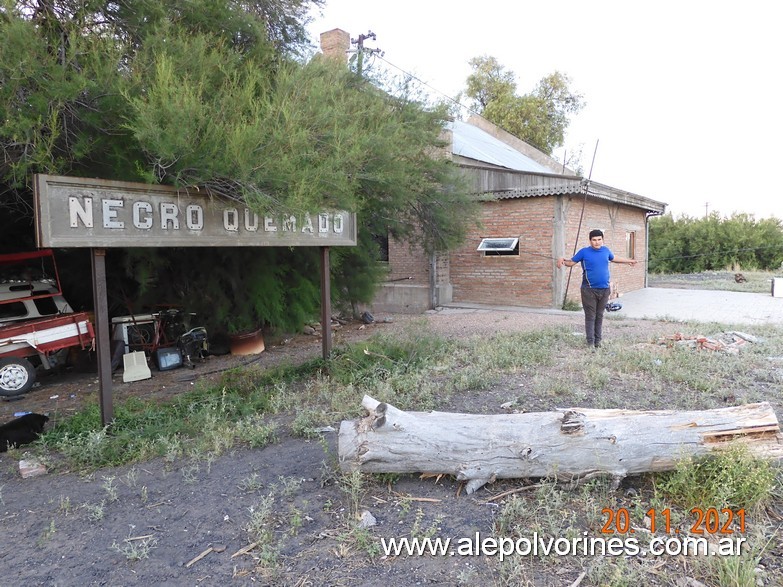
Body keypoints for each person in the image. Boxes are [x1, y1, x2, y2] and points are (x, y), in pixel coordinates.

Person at [556, 229, 637, 348]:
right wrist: (562, 259)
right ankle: (590, 343)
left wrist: (629, 261)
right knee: (590, 316)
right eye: (594, 240)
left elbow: (614, 258)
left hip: (604, 290)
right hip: (588, 290)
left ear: (602, 240)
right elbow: (571, 263)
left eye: (599, 239)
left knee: (600, 316)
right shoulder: (584, 252)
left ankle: (598, 342)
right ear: (590, 241)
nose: (597, 242)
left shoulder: (606, 251)